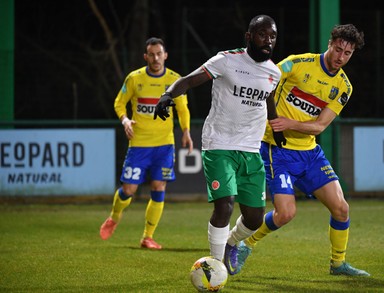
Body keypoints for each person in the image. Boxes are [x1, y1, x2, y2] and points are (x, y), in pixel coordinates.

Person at [236, 24, 370, 276]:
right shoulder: (297, 63)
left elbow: (319, 126)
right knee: (286, 213)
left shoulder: (344, 87)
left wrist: (290, 123)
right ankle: (245, 244)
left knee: (341, 209)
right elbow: (265, 81)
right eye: (338, 49)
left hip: (310, 153)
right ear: (330, 43)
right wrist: (267, 116)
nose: (341, 57)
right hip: (278, 149)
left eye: (347, 53)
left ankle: (338, 264)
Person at [154, 15, 284, 275]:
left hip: (251, 148)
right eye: (262, 35)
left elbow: (268, 98)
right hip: (219, 143)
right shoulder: (226, 60)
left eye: (272, 36)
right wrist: (168, 94)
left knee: (255, 218)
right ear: (248, 36)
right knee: (225, 204)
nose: (268, 41)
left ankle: (231, 243)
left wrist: (275, 124)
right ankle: (215, 267)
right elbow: (190, 79)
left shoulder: (274, 71)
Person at [99, 37, 193, 250]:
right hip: (139, 144)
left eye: (159, 53)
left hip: (164, 145)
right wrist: (125, 120)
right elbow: (119, 102)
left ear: (165, 55)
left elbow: (182, 109)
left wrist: (186, 132)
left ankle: (147, 237)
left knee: (159, 187)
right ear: (145, 56)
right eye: (151, 54)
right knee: (129, 189)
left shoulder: (175, 80)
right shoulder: (135, 78)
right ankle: (114, 217)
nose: (156, 58)